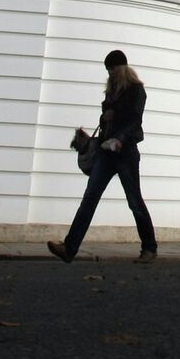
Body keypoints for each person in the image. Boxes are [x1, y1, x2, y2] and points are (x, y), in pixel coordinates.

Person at [49, 49, 157, 264]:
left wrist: (120, 139)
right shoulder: (111, 91)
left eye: (113, 68)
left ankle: (149, 248)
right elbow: (107, 117)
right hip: (106, 152)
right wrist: (106, 115)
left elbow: (135, 120)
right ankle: (69, 248)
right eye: (108, 70)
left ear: (123, 68)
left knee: (134, 201)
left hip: (125, 152)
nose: (110, 73)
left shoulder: (136, 90)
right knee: (89, 198)